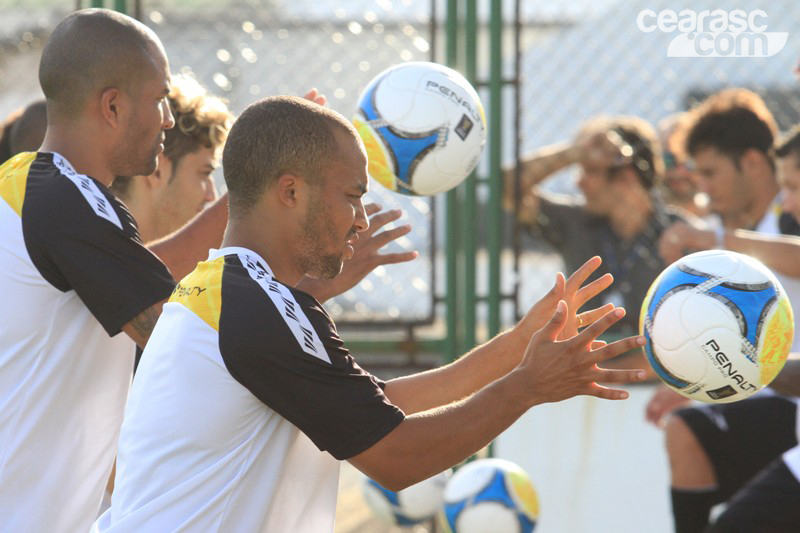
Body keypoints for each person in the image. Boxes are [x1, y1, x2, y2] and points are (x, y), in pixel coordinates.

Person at [94, 96, 647, 532]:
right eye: (352, 195)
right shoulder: (254, 308)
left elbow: (374, 407)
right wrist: (528, 386)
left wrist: (517, 349)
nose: (360, 218)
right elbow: (396, 455)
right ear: (290, 191)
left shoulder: (223, 289)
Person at [0, 10, 411, 532]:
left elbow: (175, 304)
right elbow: (185, 329)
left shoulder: (23, 190)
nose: (168, 119)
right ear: (112, 106)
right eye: (159, 99)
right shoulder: (68, 197)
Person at [645, 89, 800, 533]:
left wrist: (719, 242)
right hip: (772, 399)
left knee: (688, 433)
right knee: (686, 433)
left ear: (751, 163)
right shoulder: (726, 234)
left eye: (710, 172)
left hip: (786, 403)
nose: (702, 186)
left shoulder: (782, 223)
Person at [504, 115, 685, 338]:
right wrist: (574, 152)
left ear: (626, 177)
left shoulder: (682, 236)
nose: (578, 182)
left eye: (589, 170)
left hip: (654, 369)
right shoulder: (576, 222)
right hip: (582, 369)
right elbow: (507, 187)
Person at [657, 112, 707, 218]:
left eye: (689, 161)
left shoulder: (722, 216)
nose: (679, 172)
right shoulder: (646, 219)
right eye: (668, 160)